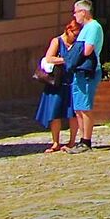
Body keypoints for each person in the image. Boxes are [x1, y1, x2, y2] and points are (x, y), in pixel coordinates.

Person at [35, 19, 81, 151]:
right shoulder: (57, 41)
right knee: (55, 113)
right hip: (57, 82)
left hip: (72, 81)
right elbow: (49, 58)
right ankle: (55, 142)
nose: (76, 37)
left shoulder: (77, 44)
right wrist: (65, 60)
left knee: (73, 113)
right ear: (69, 30)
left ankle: (72, 141)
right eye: (75, 34)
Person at [69, 0, 105, 150]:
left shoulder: (93, 27)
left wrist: (74, 52)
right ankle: (81, 140)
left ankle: (86, 140)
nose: (74, 15)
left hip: (88, 71)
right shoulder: (85, 28)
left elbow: (87, 50)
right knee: (78, 107)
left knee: (85, 106)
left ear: (83, 12)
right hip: (79, 71)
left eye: (76, 12)